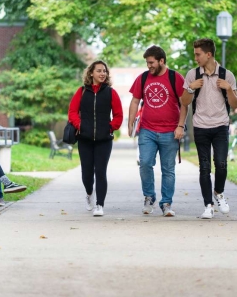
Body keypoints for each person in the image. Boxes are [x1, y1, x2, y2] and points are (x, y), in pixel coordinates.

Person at [181, 38, 237, 219]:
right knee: (204, 168)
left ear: (208, 54)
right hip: (200, 127)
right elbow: (184, 102)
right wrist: (190, 88)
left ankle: (219, 193)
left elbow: (235, 105)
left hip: (221, 126)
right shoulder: (192, 75)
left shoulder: (226, 75)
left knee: (221, 164)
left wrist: (229, 89)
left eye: (198, 54)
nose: (195, 57)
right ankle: (208, 205)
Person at [128, 45, 187, 217]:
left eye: (152, 62)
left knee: (168, 169)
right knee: (145, 163)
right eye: (147, 63)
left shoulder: (174, 77)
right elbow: (134, 101)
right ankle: (149, 197)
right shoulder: (144, 77)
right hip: (147, 130)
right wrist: (131, 122)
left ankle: (166, 203)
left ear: (162, 61)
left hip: (170, 131)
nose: (149, 66)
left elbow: (184, 104)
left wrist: (180, 126)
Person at [68, 60, 123, 217]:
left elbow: (118, 115)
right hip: (84, 139)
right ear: (91, 73)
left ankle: (100, 205)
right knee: (86, 173)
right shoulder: (82, 91)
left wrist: (111, 127)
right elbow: (72, 111)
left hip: (104, 140)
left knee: (100, 171)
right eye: (99, 70)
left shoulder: (111, 92)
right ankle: (89, 193)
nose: (102, 73)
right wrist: (80, 125)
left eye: (104, 71)